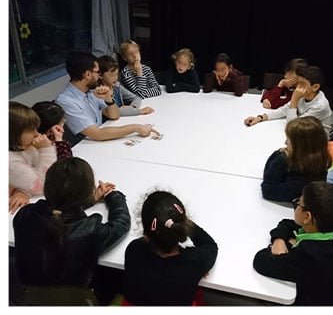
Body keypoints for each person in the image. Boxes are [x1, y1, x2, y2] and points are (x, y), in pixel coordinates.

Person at [12, 157, 130, 292]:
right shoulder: (91, 231)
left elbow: (58, 212)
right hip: (73, 298)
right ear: (86, 192)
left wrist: (89, 200)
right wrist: (113, 195)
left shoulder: (24, 215)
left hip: (26, 293)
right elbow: (121, 223)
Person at [253, 181, 333, 306]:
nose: (296, 206)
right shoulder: (332, 232)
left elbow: (261, 261)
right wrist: (279, 239)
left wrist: (288, 245)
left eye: (298, 204)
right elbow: (286, 224)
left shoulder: (310, 256)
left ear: (307, 216)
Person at [123, 191, 218, 306]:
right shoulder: (193, 262)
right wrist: (183, 224)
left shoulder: (134, 250)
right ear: (182, 228)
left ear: (146, 235)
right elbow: (210, 245)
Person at [55, 51, 159, 142]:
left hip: (101, 141)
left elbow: (114, 115)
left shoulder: (91, 91)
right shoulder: (66, 101)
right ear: (87, 74)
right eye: (97, 72)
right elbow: (97, 134)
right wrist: (135, 127)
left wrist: (108, 99)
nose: (98, 76)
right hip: (85, 147)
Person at [244, 65, 332, 136]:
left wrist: (294, 99)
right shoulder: (303, 94)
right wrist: (260, 118)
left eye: (302, 84)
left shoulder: (320, 106)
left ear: (315, 87)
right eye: (298, 83)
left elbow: (294, 128)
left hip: (314, 143)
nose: (298, 87)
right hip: (302, 135)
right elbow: (283, 110)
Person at [261, 116, 331, 203]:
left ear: (300, 147)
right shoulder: (314, 161)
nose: (285, 142)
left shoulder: (302, 182)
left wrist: (280, 158)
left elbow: (268, 189)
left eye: (289, 140)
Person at [9, 101, 57, 214]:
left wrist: (24, 191)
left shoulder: (25, 146)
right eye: (30, 130)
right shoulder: (9, 161)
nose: (36, 134)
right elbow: (44, 185)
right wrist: (46, 150)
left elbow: (43, 173)